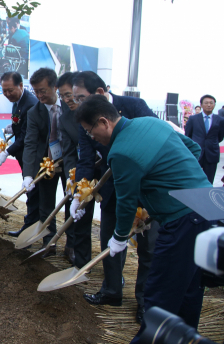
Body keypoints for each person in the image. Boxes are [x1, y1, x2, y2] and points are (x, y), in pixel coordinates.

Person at [75, 95, 213, 344]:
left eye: (90, 131)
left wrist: (118, 238)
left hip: (183, 221)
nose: (91, 138)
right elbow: (194, 149)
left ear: (104, 122)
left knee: (160, 294)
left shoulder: (120, 153)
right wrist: (179, 182)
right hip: (208, 209)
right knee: (189, 289)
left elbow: (126, 203)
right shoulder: (152, 123)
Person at [71, 71, 159, 324]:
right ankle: (111, 291)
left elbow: (153, 142)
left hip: (145, 192)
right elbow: (85, 161)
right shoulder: (84, 119)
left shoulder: (135, 107)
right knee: (110, 242)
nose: (78, 103)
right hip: (111, 190)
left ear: (99, 93)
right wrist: (81, 192)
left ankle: (145, 301)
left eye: (81, 97)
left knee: (149, 249)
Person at [20, 67, 69, 257]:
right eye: (36, 91)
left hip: (68, 162)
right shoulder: (34, 112)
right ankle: (49, 243)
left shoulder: (69, 106)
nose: (39, 95)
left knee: (71, 201)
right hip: (46, 163)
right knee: (46, 205)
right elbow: (30, 144)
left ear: (55, 87)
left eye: (43, 91)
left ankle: (71, 246)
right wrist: (28, 174)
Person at [0, 71, 39, 237]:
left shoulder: (31, 104)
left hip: (32, 157)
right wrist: (13, 126)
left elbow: (27, 137)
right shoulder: (18, 101)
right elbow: (20, 124)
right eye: (4, 91)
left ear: (21, 86)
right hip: (23, 155)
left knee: (34, 194)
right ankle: (30, 228)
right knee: (32, 193)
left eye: (10, 90)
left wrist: (7, 151)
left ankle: (31, 230)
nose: (7, 94)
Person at [55, 71, 80, 264]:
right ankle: (76, 251)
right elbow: (70, 151)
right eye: (62, 96)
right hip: (79, 167)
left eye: (69, 94)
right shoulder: (65, 119)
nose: (66, 99)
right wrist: (72, 177)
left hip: (109, 169)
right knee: (77, 209)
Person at [184, 95, 224, 184]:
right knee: (192, 179)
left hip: (212, 153)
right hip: (196, 153)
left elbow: (220, 137)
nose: (209, 105)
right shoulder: (193, 119)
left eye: (211, 103)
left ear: (214, 105)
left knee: (209, 181)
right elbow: (188, 136)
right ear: (201, 105)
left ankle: (207, 197)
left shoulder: (220, 120)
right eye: (206, 103)